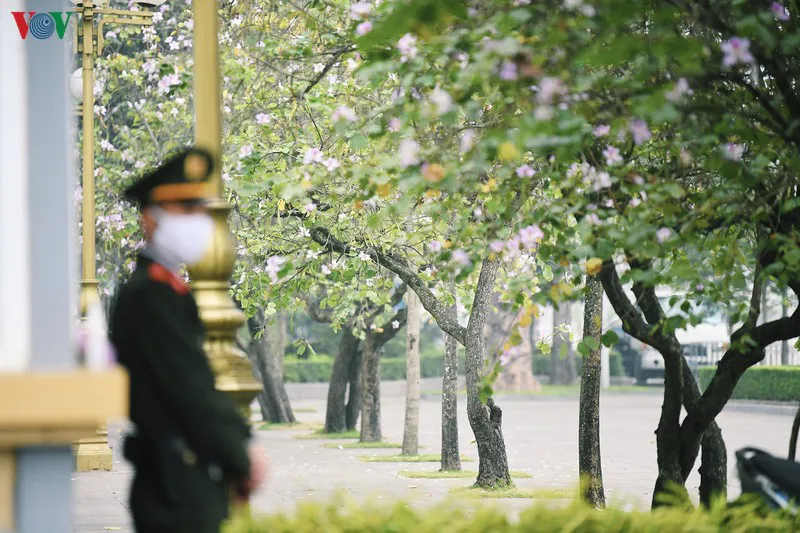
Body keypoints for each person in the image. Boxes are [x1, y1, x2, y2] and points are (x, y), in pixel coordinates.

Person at [109, 147, 268, 533]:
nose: (198, 220)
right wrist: (241, 456)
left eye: (199, 208)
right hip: (176, 480)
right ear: (149, 218)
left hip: (186, 473)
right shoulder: (151, 294)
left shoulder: (165, 289)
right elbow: (188, 387)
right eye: (184, 209)